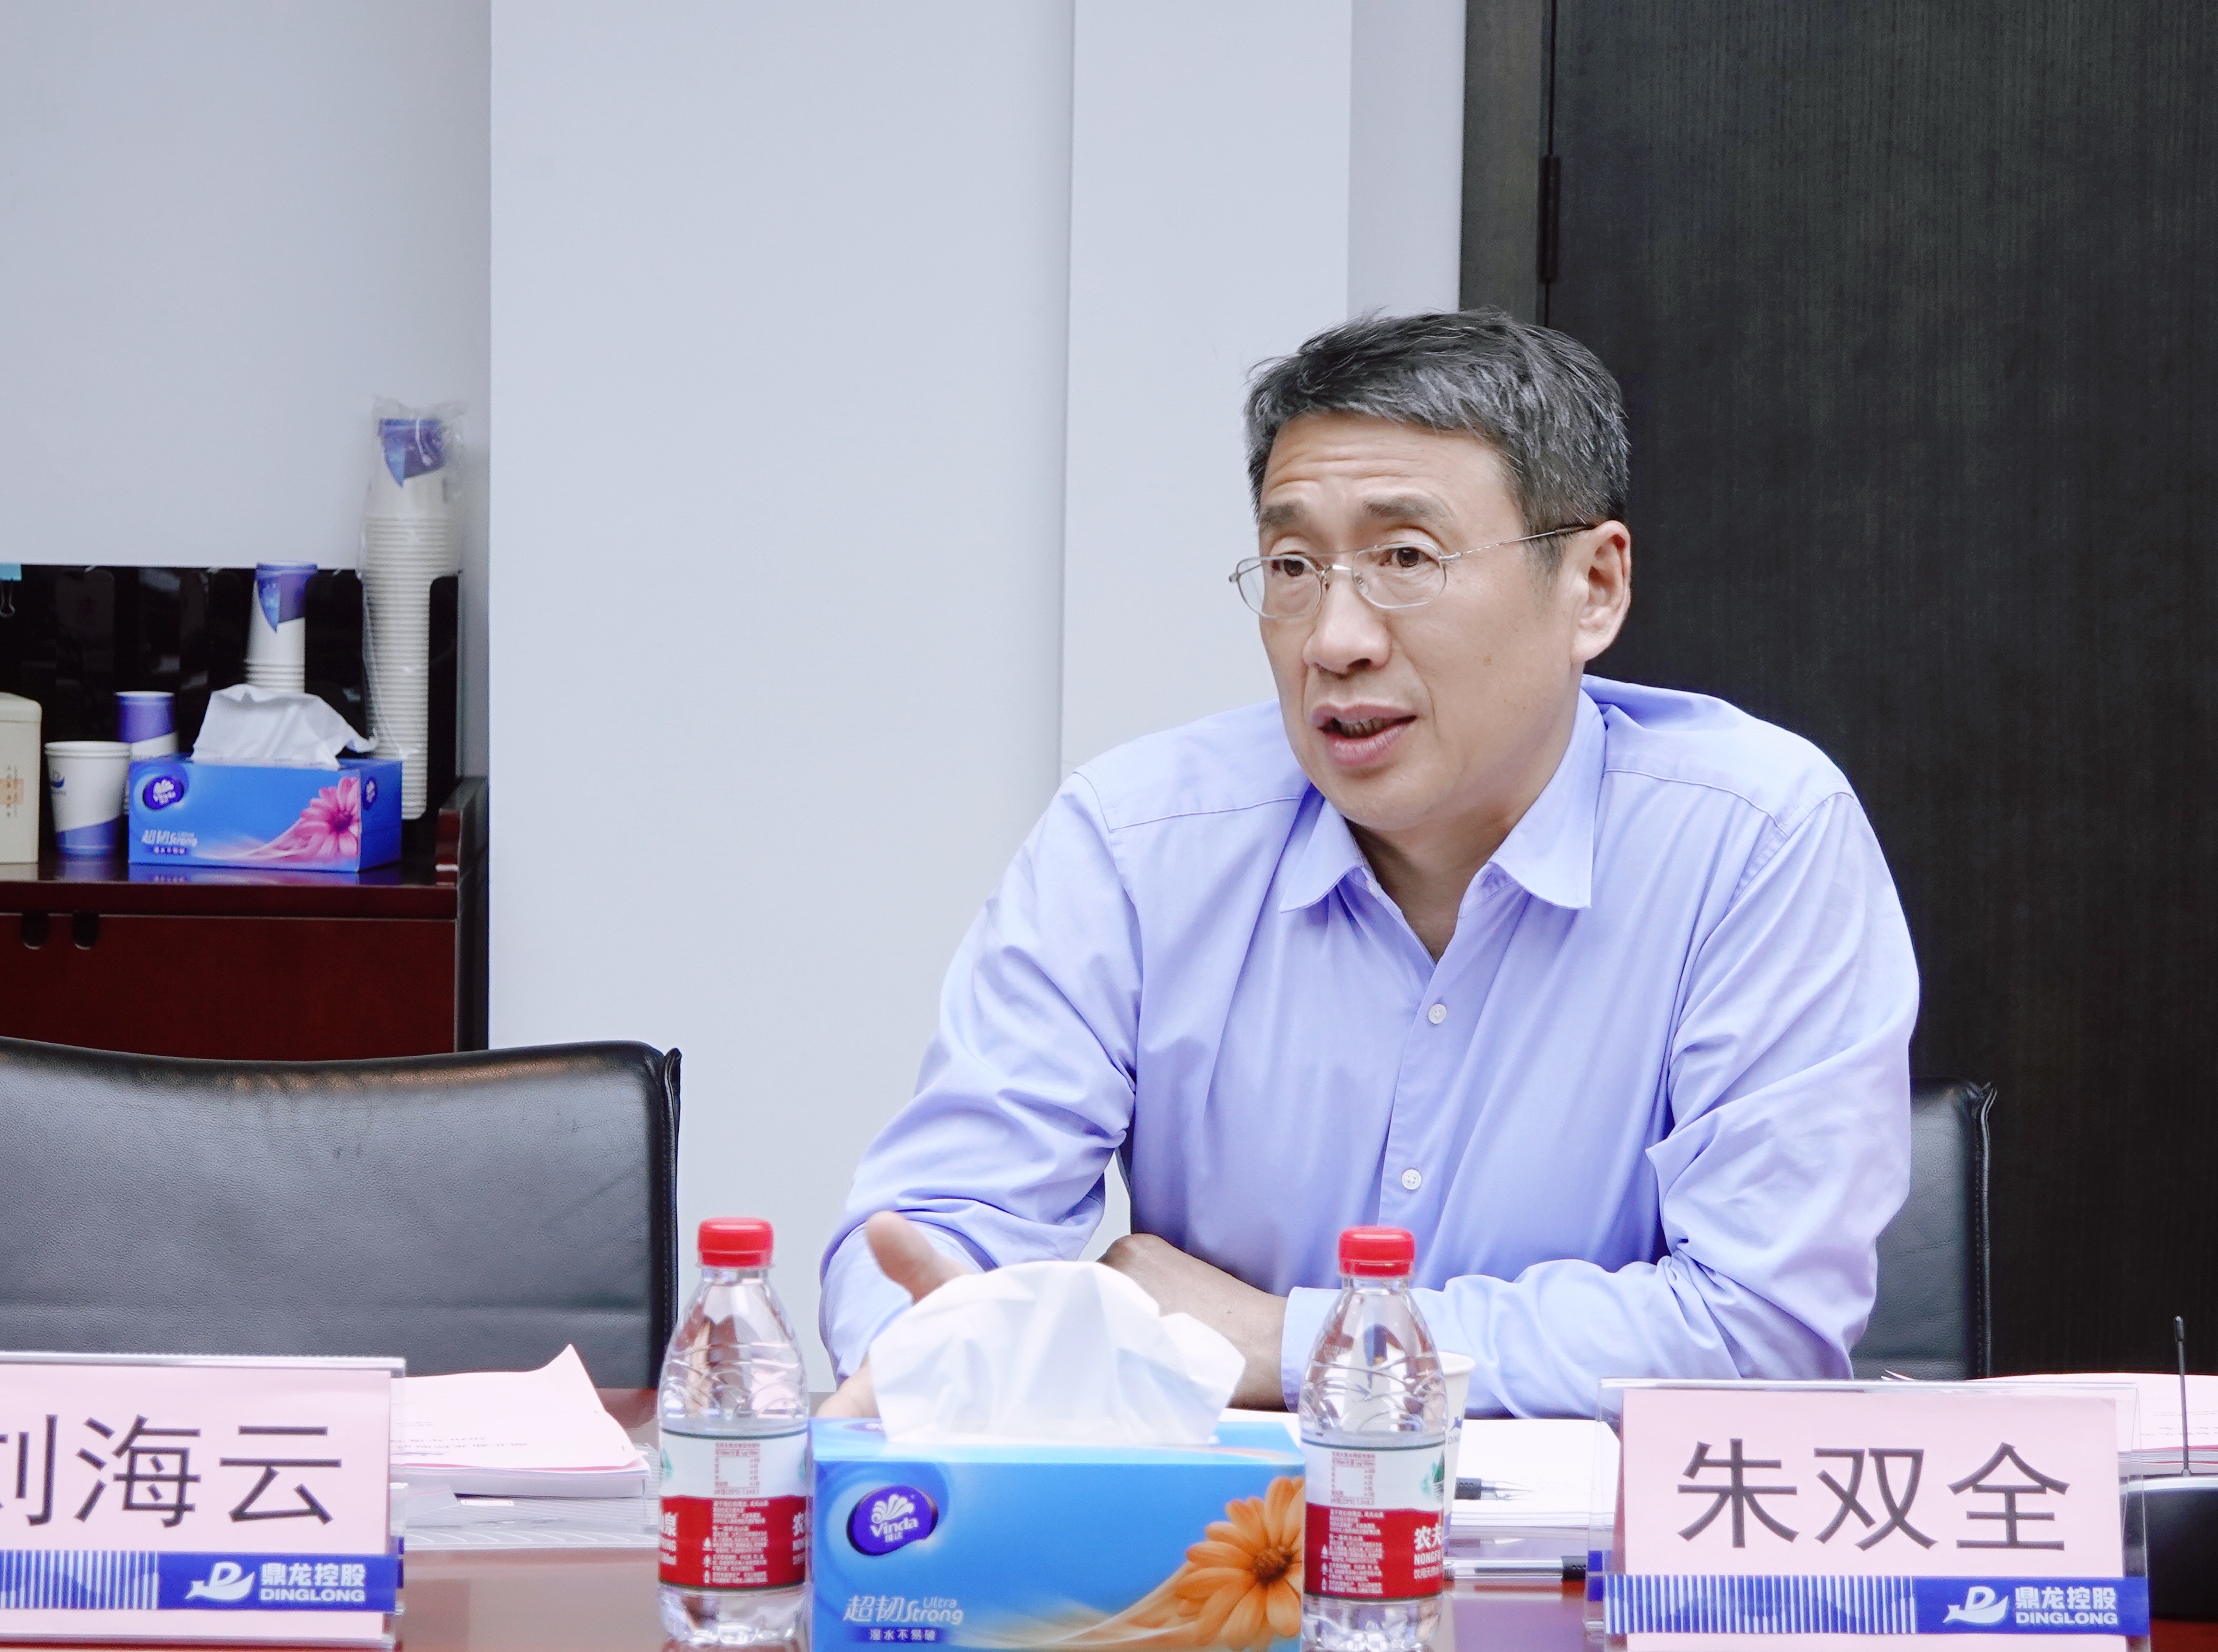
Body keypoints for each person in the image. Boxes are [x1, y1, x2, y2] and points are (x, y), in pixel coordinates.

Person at [818, 309, 1919, 1419]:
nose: (1333, 638)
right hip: (1230, 1528)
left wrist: (1288, 1342)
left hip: (1585, 1534)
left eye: (1405, 558)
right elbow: (935, 1232)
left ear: (1593, 586)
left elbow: (1757, 1328)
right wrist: (940, 1345)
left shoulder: (1753, 839)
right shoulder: (1137, 842)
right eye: (1293, 566)